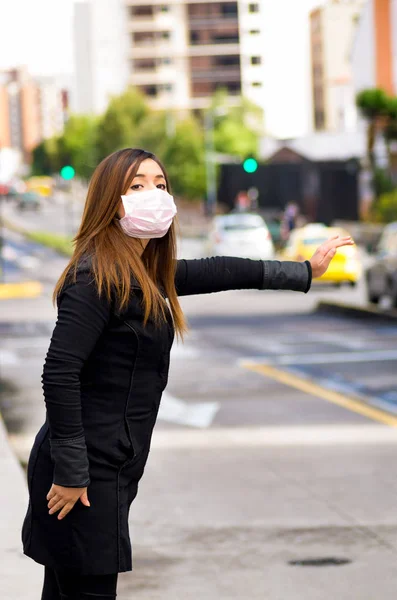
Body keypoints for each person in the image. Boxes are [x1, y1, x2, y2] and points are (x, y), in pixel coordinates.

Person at [21, 148, 354, 600]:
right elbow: (59, 371)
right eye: (136, 185)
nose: (153, 194)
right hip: (82, 474)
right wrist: (72, 471)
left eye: (160, 184)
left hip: (105, 467)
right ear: (109, 200)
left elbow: (221, 269)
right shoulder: (95, 278)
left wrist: (303, 271)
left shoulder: (141, 272)